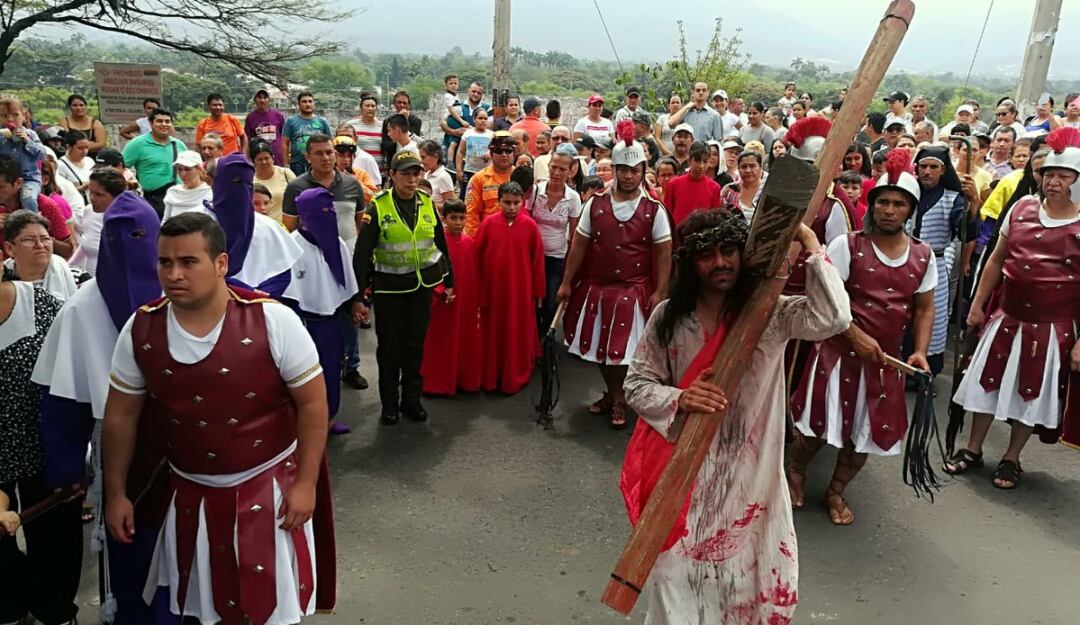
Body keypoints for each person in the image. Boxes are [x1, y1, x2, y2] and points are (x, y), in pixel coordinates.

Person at [102, 211, 335, 625]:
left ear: (221, 263)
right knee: (200, 610)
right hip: (190, 495)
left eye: (188, 262)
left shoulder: (273, 320)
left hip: (271, 490)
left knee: (270, 611)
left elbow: (314, 405)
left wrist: (305, 484)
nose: (173, 274)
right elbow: (120, 414)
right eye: (164, 262)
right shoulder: (140, 328)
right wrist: (116, 492)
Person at [621, 209, 850, 625]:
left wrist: (811, 245)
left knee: (748, 593)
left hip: (754, 484)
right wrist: (681, 397)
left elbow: (833, 318)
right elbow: (636, 385)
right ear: (690, 263)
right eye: (706, 254)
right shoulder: (669, 318)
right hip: (686, 480)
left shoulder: (771, 314)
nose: (721, 262)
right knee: (676, 586)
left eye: (729, 250)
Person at [32, 192, 174, 625]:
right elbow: (62, 401)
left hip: (189, 443)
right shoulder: (79, 309)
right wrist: (67, 471)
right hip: (119, 448)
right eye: (118, 239)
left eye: (140, 237)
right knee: (132, 546)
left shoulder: (184, 292)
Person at [790, 149, 935, 524]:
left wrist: (918, 351)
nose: (888, 210)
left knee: (862, 435)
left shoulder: (923, 255)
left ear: (910, 209)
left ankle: (837, 491)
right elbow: (822, 299)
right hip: (836, 357)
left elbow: (923, 308)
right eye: (883, 202)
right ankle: (795, 472)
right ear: (872, 205)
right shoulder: (847, 245)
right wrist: (852, 334)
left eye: (898, 204)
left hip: (884, 363)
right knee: (817, 429)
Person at [948, 128, 1080, 488]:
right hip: (1006, 315)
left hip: (1051, 326)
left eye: (1063, 176)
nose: (1053, 182)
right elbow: (994, 261)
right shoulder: (1022, 208)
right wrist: (976, 306)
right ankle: (972, 449)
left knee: (1031, 394)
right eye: (1048, 174)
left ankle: (1011, 458)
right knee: (984, 384)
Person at [557, 135, 672, 428]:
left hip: (634, 290)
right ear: (616, 170)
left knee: (623, 354)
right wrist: (567, 282)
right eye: (623, 169)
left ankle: (620, 399)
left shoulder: (653, 209)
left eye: (634, 170)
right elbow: (579, 245)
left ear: (643, 170)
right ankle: (612, 393)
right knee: (599, 348)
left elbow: (663, 254)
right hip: (597, 288)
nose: (629, 175)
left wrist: (660, 291)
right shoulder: (594, 205)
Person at [0, 263, 78, 625]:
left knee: (55, 540)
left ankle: (55, 612)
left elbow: (72, 374)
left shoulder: (44, 305)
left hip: (46, 445)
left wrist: (76, 452)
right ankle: (10, 606)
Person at [352, 150, 454, 424]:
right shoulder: (379, 206)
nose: (412, 179)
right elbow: (362, 253)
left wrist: (450, 281)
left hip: (421, 287)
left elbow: (440, 244)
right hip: (390, 290)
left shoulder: (426, 202)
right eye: (406, 173)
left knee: (414, 346)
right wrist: (359, 296)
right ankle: (389, 404)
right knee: (389, 349)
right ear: (393, 175)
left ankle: (411, 399)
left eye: (416, 173)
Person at [282, 188, 360, 435]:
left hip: (330, 319)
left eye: (331, 211)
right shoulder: (291, 246)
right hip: (302, 322)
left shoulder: (335, 243)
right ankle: (299, 424)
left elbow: (346, 280)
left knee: (331, 368)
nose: (327, 216)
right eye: (320, 212)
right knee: (301, 374)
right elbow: (289, 292)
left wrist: (353, 306)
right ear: (304, 216)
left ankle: (328, 418)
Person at [474, 181, 545, 394]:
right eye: (507, 203)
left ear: (523, 202)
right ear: (499, 201)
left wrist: (537, 292)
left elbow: (537, 260)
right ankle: (491, 375)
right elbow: (477, 257)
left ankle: (513, 375)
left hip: (520, 290)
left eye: (516, 203)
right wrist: (479, 289)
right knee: (493, 330)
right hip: (493, 288)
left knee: (516, 330)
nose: (511, 207)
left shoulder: (530, 225)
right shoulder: (488, 224)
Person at [910, 145, 966, 375]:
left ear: (943, 170)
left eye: (933, 167)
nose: (927, 171)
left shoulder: (953, 199)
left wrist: (971, 206)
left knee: (934, 316)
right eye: (923, 166)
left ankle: (927, 372)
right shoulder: (910, 191)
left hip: (936, 264)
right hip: (905, 262)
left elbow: (966, 231)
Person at [420, 198, 481, 395]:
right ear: (444, 219)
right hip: (443, 302)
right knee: (441, 341)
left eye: (462, 218)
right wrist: (440, 291)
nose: (458, 222)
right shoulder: (437, 244)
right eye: (453, 218)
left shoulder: (470, 243)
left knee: (463, 338)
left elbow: (475, 273)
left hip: (465, 301)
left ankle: (462, 379)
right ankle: (438, 383)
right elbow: (430, 271)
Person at [529, 143, 582, 333]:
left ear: (570, 171)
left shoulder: (573, 198)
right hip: (533, 258)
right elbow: (525, 222)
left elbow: (575, 233)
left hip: (557, 258)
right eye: (554, 167)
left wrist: (571, 264)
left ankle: (546, 341)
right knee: (532, 302)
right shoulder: (535, 192)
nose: (557, 172)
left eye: (562, 169)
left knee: (551, 304)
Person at [0, 155, 73, 258]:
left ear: (18, 183)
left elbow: (68, 250)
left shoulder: (45, 206)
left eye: (1, 187)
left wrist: (40, 236)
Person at [2, 210, 85, 300]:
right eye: (29, 240)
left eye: (45, 239)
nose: (40, 245)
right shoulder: (3, 281)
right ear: (9, 248)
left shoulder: (79, 282)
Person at [122, 108, 186, 216]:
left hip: (179, 198)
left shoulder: (179, 145)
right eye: (160, 121)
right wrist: (128, 180)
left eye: (167, 121)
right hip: (152, 200)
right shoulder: (138, 144)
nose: (164, 124)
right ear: (151, 123)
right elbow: (119, 166)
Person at [68, 167, 126, 275]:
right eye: (90, 192)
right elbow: (87, 245)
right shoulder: (88, 211)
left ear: (117, 196)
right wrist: (69, 267)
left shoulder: (127, 219)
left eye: (99, 194)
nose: (92, 198)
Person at [0, 96, 46, 213]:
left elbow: (42, 155)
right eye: (4, 116)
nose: (10, 119)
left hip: (29, 179)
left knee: (28, 198)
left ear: (24, 116)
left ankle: (33, 222)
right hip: (6, 181)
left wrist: (27, 141)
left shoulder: (31, 134)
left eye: (15, 115)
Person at [465, 131, 515, 236]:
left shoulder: (520, 176)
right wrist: (475, 242)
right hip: (489, 237)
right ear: (491, 153)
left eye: (508, 151)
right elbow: (471, 215)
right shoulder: (479, 179)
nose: (504, 155)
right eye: (499, 151)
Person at [665, 141, 722, 226]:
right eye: (697, 161)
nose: (701, 166)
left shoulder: (714, 188)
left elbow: (714, 218)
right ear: (689, 160)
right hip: (678, 235)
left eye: (705, 161)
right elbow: (667, 214)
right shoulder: (674, 184)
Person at [441, 82, 490, 171]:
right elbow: (443, 122)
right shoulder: (457, 105)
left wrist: (469, 131)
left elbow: (489, 128)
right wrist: (454, 132)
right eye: (473, 91)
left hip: (475, 158)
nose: (475, 94)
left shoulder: (487, 108)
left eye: (479, 93)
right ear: (468, 91)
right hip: (453, 151)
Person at [283, 91, 332, 176]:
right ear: (299, 104)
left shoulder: (322, 121)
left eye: (310, 101)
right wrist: (286, 165)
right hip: (297, 164)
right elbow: (284, 143)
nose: (307, 104)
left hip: (318, 163)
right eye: (304, 101)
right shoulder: (291, 121)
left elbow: (330, 142)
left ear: (314, 103)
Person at [251, 140, 296, 223]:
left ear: (273, 158)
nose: (264, 162)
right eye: (260, 159)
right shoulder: (249, 179)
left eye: (266, 158)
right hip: (260, 227)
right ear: (254, 162)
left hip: (285, 228)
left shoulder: (286, 174)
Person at [161, 150, 211, 221]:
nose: (183, 174)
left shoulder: (209, 192)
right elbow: (166, 219)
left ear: (199, 169)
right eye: (179, 169)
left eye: (188, 169)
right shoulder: (173, 191)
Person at [720, 150, 768, 222]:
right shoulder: (729, 191)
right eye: (743, 167)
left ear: (760, 168)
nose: (748, 170)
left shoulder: (769, 190)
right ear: (738, 169)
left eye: (752, 166)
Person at [456, 108, 494, 197]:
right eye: (480, 118)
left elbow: (496, 151)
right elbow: (460, 152)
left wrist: (490, 154)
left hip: (486, 172)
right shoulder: (467, 134)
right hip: (469, 171)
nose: (483, 121)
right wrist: (459, 170)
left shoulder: (492, 135)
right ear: (474, 119)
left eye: (485, 118)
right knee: (466, 196)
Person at [245, 89, 287, 166]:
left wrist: (287, 156)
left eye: (265, 97)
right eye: (259, 97)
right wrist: (248, 159)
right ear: (255, 100)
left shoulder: (278, 115)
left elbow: (285, 137)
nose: (262, 100)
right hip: (260, 159)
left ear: (269, 100)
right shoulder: (250, 118)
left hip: (277, 158)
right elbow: (247, 140)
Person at [331, 136, 379, 202]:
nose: (346, 160)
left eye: (349, 156)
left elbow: (373, 198)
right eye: (342, 156)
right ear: (333, 156)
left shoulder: (362, 174)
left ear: (354, 157)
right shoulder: (327, 175)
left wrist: (354, 181)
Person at [380, 90, 424, 163]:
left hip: (410, 159)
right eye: (399, 102)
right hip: (393, 159)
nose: (402, 105)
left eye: (404, 103)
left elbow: (413, 141)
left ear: (408, 105)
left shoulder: (416, 121)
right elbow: (385, 145)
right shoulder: (388, 121)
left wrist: (405, 121)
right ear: (394, 104)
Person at [57, 129, 95, 204]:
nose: (84, 151)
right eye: (80, 148)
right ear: (69, 147)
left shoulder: (90, 161)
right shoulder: (60, 165)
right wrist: (83, 187)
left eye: (86, 147)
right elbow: (61, 194)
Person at [419, 139, 456, 210]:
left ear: (436, 157)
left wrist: (428, 205)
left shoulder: (443, 177)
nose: (421, 161)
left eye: (423, 157)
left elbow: (452, 206)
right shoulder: (426, 174)